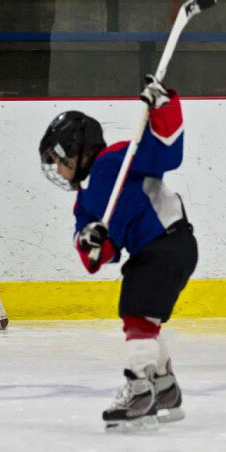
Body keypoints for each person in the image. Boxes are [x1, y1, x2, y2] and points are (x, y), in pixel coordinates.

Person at [38, 75, 198, 430]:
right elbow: (100, 258)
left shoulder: (116, 159)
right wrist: (91, 241)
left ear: (79, 149)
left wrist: (163, 107)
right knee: (143, 319)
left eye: (60, 160)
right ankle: (165, 388)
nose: (59, 170)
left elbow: (169, 152)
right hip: (151, 253)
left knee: (136, 313)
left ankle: (140, 390)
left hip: (169, 241)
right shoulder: (83, 204)